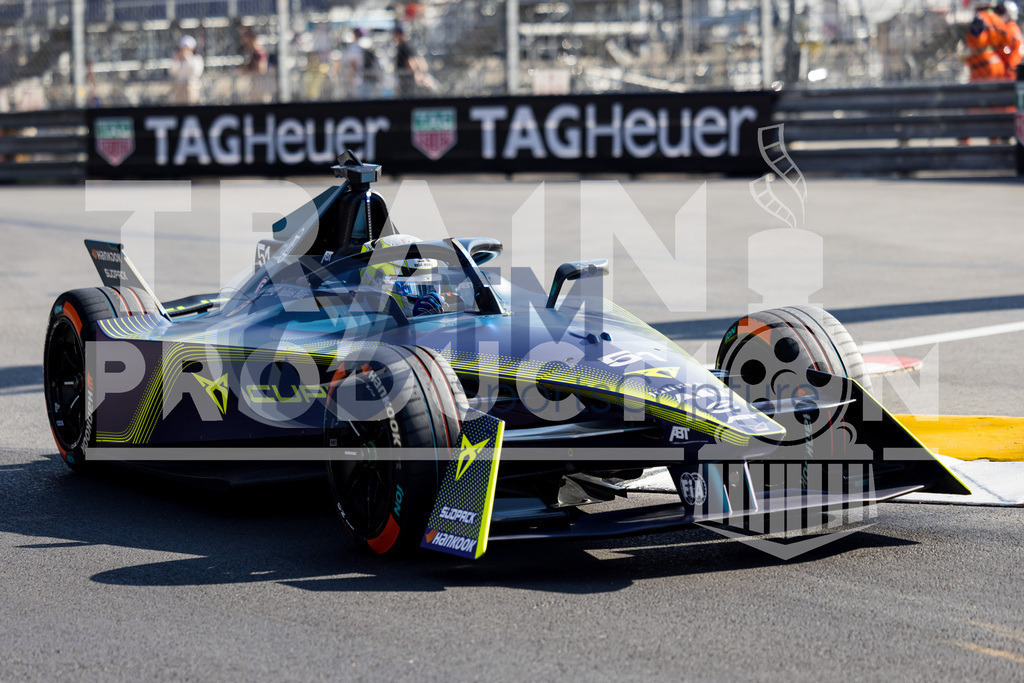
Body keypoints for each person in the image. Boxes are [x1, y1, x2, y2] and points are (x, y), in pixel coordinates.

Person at [964, 3, 1008, 83]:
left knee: (979, 94)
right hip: (997, 62)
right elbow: (1005, 41)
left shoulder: (979, 17)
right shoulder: (996, 18)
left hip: (981, 64)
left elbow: (977, 41)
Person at [169, 35, 204, 105]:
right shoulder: (178, 59)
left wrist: (187, 57)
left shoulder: (197, 59)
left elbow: (195, 72)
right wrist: (177, 60)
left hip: (191, 86)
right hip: (178, 86)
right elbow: (172, 71)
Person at [995, 1, 1022, 78]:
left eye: (1001, 12)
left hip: (1008, 70)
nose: (999, 15)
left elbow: (1011, 50)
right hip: (1005, 69)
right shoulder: (1008, 28)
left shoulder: (1010, 29)